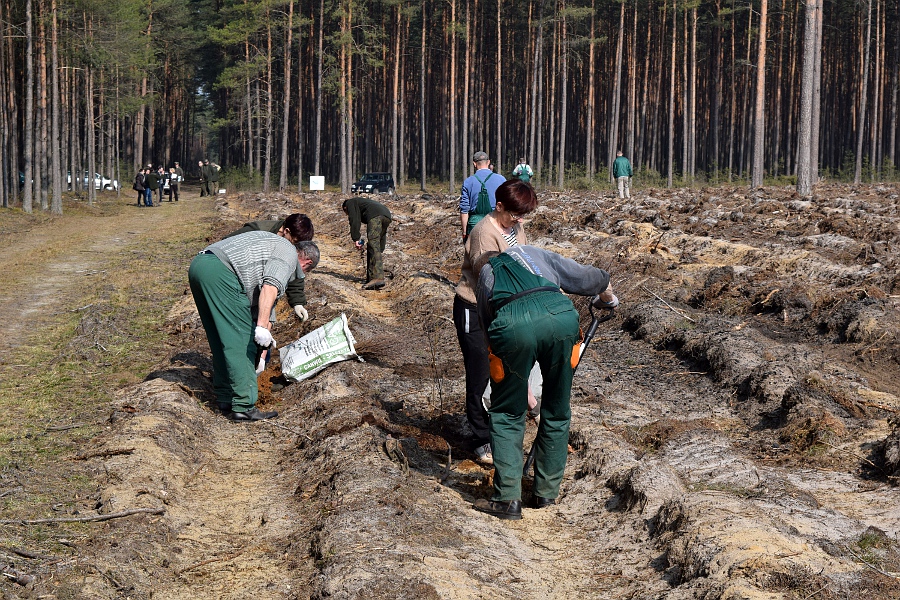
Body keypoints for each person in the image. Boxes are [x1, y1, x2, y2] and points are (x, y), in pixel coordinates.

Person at [472, 245, 617, 520]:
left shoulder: (486, 275)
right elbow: (589, 277)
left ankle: (507, 500)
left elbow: (491, 339)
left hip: (513, 328)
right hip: (561, 319)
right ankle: (546, 494)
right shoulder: (533, 253)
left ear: (483, 267)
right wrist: (607, 296)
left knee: (505, 413)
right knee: (557, 408)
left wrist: (517, 385)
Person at [188, 232, 320, 421]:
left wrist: (264, 346)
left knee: (221, 338)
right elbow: (270, 288)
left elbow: (266, 306)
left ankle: (226, 397)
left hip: (200, 266)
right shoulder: (289, 255)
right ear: (306, 263)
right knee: (242, 341)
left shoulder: (274, 247)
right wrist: (261, 330)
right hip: (222, 273)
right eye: (302, 274)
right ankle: (243, 405)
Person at [453, 179, 537, 466]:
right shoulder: (482, 233)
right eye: (515, 213)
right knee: (480, 374)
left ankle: (507, 420)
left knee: (505, 367)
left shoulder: (516, 226)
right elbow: (489, 276)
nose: (520, 219)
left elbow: (525, 257)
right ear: (498, 206)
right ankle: (481, 438)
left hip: (506, 307)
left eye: (523, 214)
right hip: (475, 308)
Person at [223, 214, 315, 321]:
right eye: (294, 241)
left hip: (261, 289)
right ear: (286, 231)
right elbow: (226, 245)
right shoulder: (257, 231)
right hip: (234, 280)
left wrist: (298, 303)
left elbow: (294, 271)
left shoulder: (291, 245)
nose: (295, 247)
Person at [342, 197, 392, 290]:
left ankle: (377, 278)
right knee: (373, 246)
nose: (347, 214)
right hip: (387, 215)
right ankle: (371, 278)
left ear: (345, 208)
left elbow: (354, 219)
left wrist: (356, 238)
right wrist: (381, 247)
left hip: (376, 216)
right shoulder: (363, 203)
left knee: (373, 244)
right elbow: (382, 234)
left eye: (346, 213)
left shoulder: (350, 203)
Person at [459, 151, 506, 241]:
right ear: (488, 162)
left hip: (475, 225)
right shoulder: (501, 179)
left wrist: (465, 232)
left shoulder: (468, 182)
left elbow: (464, 210)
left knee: (475, 254)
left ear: (474, 164)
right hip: (496, 222)